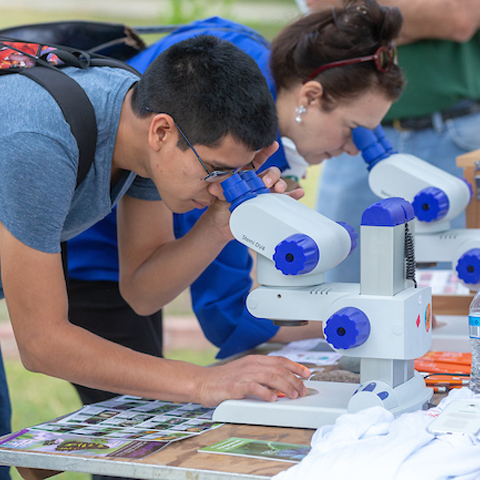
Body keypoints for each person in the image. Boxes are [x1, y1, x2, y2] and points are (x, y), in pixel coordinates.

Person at [0, 34, 317, 479]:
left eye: (235, 173)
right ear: (162, 131)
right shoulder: (39, 142)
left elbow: (142, 290)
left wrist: (219, 225)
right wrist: (202, 382)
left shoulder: (143, 121)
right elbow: (41, 343)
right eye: (217, 172)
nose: (219, 188)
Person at [66, 0, 404, 411]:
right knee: (130, 428)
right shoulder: (222, 126)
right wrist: (360, 317)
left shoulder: (251, 68)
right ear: (310, 96)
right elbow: (223, 311)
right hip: (88, 247)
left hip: (120, 245)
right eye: (355, 131)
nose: (354, 150)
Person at [298, 0, 480, 282]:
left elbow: (458, 17)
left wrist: (362, 22)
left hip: (454, 134)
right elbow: (321, 6)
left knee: (455, 297)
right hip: (352, 138)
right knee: (340, 291)